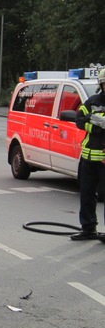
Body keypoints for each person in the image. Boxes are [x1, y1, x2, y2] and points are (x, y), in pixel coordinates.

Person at [73, 68, 105, 241]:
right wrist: (95, 126)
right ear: (101, 84)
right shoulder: (92, 102)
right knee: (86, 194)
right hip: (88, 158)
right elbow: (79, 120)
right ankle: (88, 228)